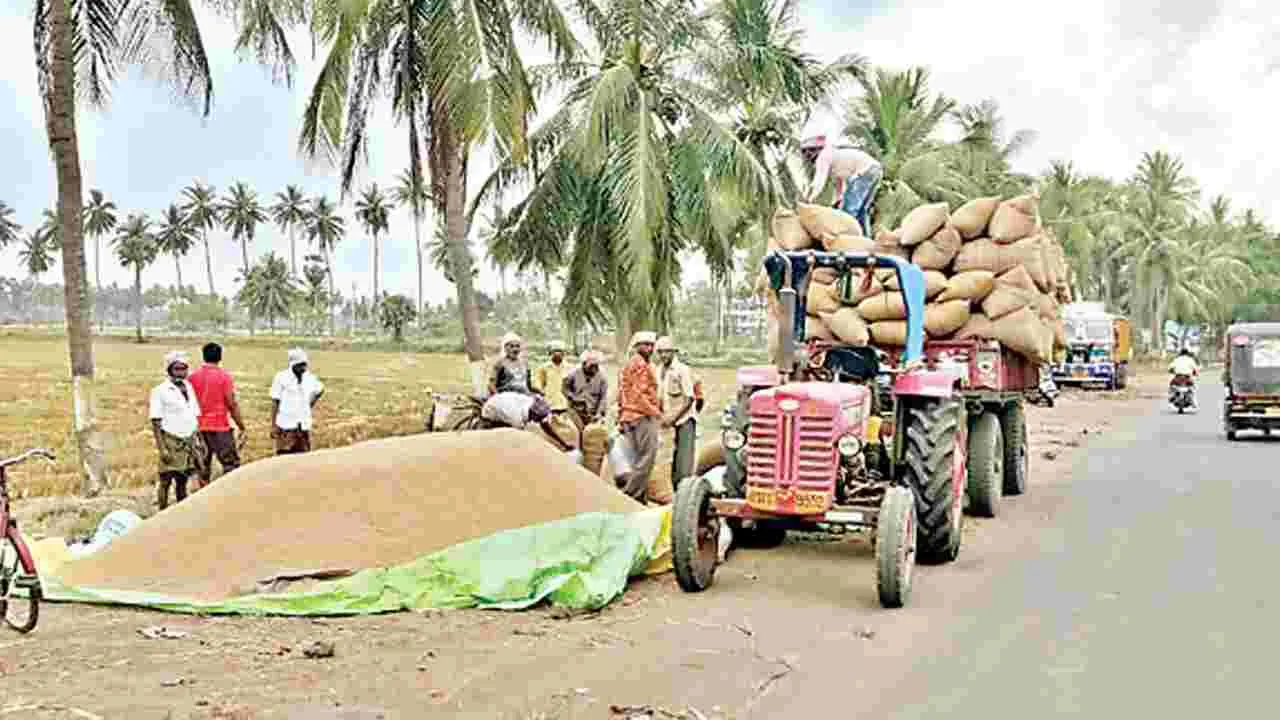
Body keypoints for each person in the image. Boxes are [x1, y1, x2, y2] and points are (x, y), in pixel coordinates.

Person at [148, 351, 204, 509]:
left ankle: (180, 513)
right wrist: (162, 448)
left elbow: (194, 414)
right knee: (165, 479)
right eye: (177, 369)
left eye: (183, 369)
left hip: (189, 438)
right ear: (169, 370)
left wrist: (199, 439)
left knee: (182, 480)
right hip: (171, 440)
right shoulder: (160, 391)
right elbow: (155, 421)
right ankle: (162, 512)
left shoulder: (189, 387)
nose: (181, 373)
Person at [188, 342, 245, 488]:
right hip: (220, 427)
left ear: (203, 356)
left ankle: (203, 494)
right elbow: (231, 404)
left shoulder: (192, 378)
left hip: (198, 427)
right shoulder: (224, 377)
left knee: (202, 466)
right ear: (220, 357)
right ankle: (228, 492)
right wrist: (241, 425)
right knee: (230, 464)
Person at [801, 135, 883, 236]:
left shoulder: (823, 156)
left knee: (848, 211)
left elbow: (818, 182)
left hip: (864, 171)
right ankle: (865, 238)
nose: (808, 154)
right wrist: (838, 200)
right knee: (862, 211)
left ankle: (847, 238)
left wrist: (810, 199)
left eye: (810, 151)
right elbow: (840, 182)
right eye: (804, 152)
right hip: (875, 169)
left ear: (817, 149)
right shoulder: (834, 155)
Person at [616, 332, 662, 502]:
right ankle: (629, 495)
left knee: (637, 459)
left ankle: (640, 498)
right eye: (645, 345)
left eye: (651, 345)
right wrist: (655, 413)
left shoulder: (630, 364)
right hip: (641, 416)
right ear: (637, 346)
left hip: (630, 416)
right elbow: (638, 395)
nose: (649, 348)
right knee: (647, 459)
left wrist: (621, 415)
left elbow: (622, 393)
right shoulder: (640, 365)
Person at [655, 336, 697, 493]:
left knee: (683, 463)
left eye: (667, 352)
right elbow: (660, 397)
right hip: (667, 420)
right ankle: (672, 494)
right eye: (661, 352)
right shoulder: (658, 371)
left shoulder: (682, 370)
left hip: (684, 420)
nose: (664, 355)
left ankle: (684, 493)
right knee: (667, 462)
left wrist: (674, 418)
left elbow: (689, 399)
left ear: (673, 352)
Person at [271, 348, 325, 455]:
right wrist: (273, 425)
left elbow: (320, 389)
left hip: (303, 426)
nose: (304, 368)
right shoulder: (281, 377)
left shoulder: (309, 378)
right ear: (293, 365)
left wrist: (309, 404)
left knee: (303, 458)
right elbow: (275, 402)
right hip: (285, 425)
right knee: (284, 456)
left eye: (305, 365)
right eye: (301, 365)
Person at [563, 350, 608, 431]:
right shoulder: (573, 373)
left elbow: (603, 398)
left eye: (596, 366)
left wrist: (598, 413)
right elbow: (564, 388)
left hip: (593, 411)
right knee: (576, 432)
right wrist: (572, 397)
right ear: (583, 364)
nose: (594, 369)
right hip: (575, 410)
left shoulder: (602, 376)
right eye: (591, 366)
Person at [532, 341, 570, 413]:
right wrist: (541, 391)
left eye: (560, 351)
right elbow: (537, 382)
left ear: (563, 353)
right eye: (555, 351)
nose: (557, 353)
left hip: (565, 404)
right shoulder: (544, 368)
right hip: (549, 403)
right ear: (550, 353)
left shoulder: (569, 368)